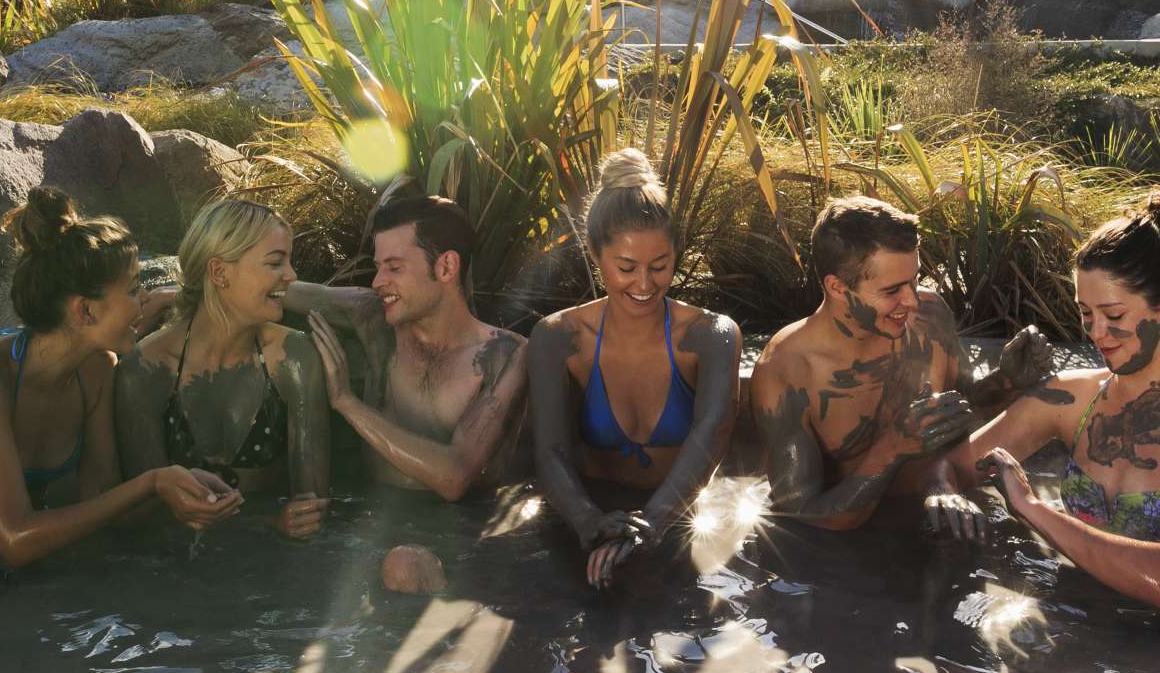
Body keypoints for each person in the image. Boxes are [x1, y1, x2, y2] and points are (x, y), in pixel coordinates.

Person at [942, 193, 1160, 619]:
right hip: (1066, 619)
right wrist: (943, 494)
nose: (1096, 333)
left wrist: (1031, 509)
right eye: (1086, 313)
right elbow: (949, 467)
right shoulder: (1068, 398)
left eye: (1114, 315)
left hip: (1158, 655)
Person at [0, 187, 242, 568]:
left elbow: (103, 501)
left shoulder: (97, 368)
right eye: (135, 289)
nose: (145, 302)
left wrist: (183, 488)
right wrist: (152, 482)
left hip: (33, 561)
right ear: (85, 311)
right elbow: (14, 540)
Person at [750, 195, 1054, 539]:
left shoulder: (930, 315)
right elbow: (800, 515)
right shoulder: (788, 370)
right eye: (892, 289)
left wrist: (1008, 382)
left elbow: (961, 418)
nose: (911, 300)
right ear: (837, 287)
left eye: (915, 279)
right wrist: (892, 449)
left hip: (943, 510)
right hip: (849, 551)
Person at [528, 149, 741, 588]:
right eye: (626, 268)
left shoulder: (710, 336)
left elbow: (712, 435)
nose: (644, 284)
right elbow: (549, 450)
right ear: (594, 252)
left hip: (679, 517)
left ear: (676, 252)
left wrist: (653, 525)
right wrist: (588, 521)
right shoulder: (558, 339)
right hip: (588, 513)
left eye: (659, 266)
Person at [286, 196, 529, 502]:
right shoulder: (373, 319)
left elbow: (454, 477)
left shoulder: (503, 354)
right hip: (371, 518)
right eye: (377, 267)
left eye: (394, 268)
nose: (377, 281)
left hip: (459, 535)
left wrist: (346, 401)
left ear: (446, 267)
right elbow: (274, 288)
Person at [116, 199, 330, 539]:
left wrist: (294, 522)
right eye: (276, 263)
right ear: (219, 273)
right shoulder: (146, 369)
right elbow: (144, 516)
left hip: (268, 567)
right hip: (176, 570)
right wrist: (266, 524)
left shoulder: (293, 358)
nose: (291, 276)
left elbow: (315, 508)